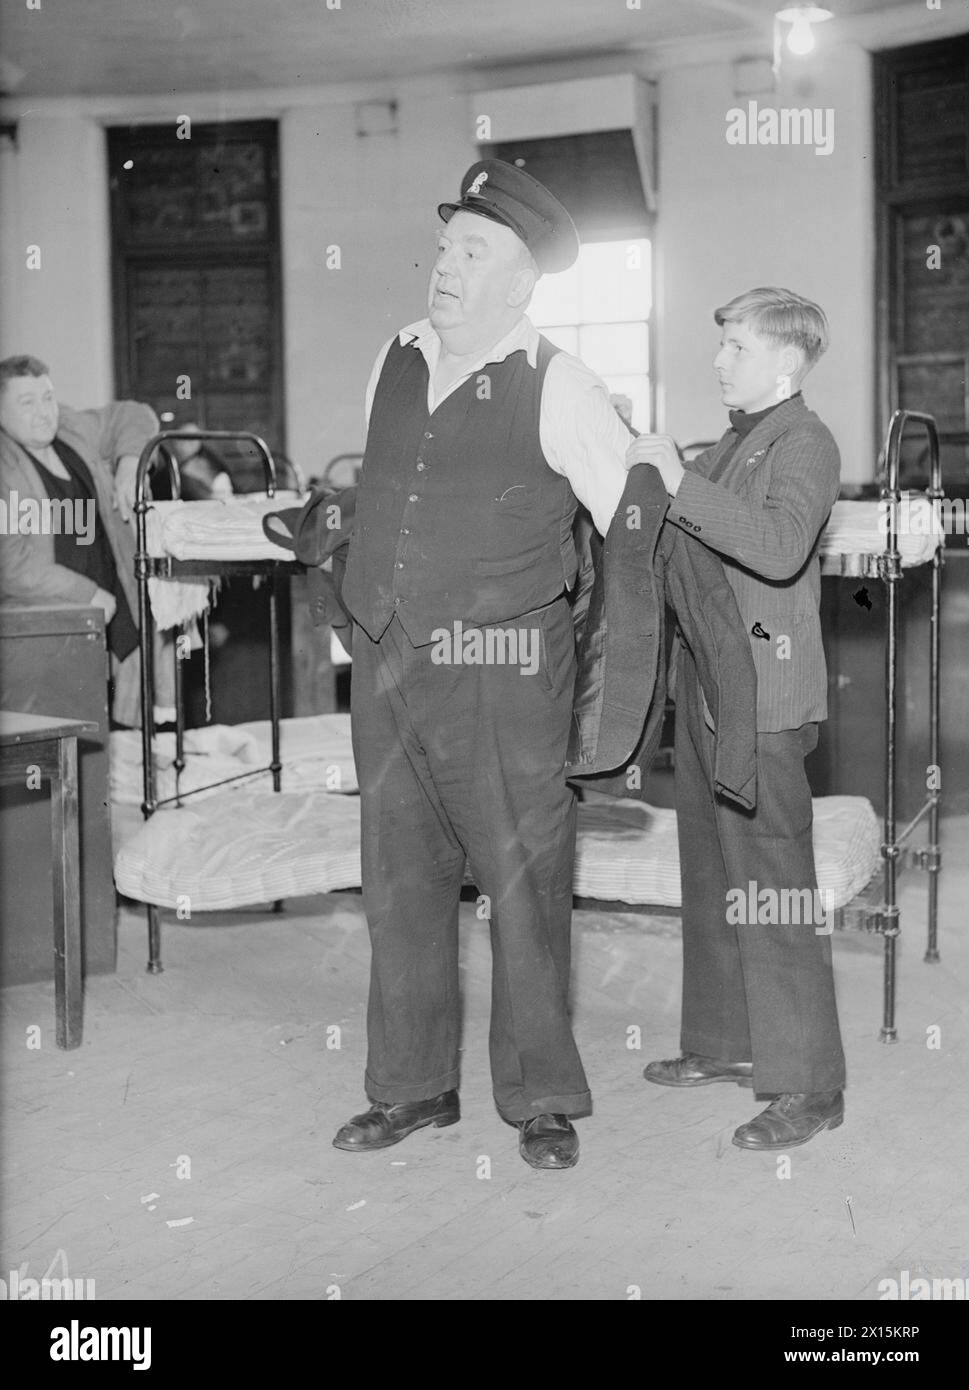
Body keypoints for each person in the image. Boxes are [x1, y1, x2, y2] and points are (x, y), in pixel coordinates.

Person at [330, 159, 632, 1170]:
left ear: (520, 281)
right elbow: (384, 497)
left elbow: (629, 533)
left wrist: (607, 695)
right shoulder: (395, 358)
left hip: (505, 678)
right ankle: (412, 1088)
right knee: (400, 883)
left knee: (525, 885)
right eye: (447, 243)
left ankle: (542, 1097)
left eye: (475, 252)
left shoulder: (562, 385)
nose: (448, 266)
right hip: (387, 665)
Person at [626, 287, 847, 1150]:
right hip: (709, 692)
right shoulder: (729, 442)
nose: (717, 362)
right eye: (718, 346)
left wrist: (676, 480)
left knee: (771, 888)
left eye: (736, 350)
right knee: (715, 880)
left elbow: (778, 544)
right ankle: (724, 1046)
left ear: (785, 362)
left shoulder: (805, 441)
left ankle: (808, 1085)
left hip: (762, 696)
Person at [0, 355, 173, 727]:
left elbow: (135, 414)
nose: (44, 413)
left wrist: (130, 463)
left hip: (119, 605)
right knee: (70, 740)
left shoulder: (70, 428)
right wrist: (86, 594)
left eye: (47, 397)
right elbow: (10, 565)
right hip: (54, 627)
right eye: (27, 403)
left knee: (131, 734)